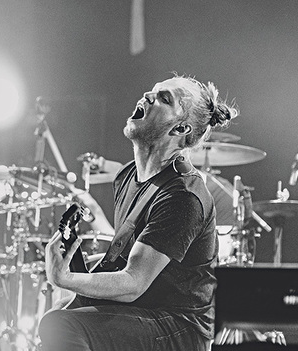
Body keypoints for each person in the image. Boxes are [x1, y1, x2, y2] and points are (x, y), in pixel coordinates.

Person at [39, 75, 238, 350]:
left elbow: (134, 281)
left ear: (180, 128)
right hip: (146, 312)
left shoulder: (182, 196)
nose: (147, 96)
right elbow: (130, 256)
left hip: (179, 328)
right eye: (153, 91)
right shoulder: (126, 177)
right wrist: (75, 260)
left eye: (164, 99)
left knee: (60, 324)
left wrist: (66, 278)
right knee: (59, 311)